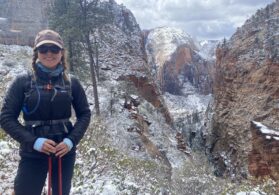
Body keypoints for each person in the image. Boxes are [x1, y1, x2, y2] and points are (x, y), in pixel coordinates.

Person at [0, 29, 91, 195]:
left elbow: (85, 114)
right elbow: (6, 118)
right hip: (32, 152)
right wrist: (34, 141)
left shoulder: (72, 83)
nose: (49, 53)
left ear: (61, 53)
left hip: (64, 152)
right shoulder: (23, 82)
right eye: (43, 49)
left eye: (54, 49)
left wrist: (71, 141)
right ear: (36, 53)